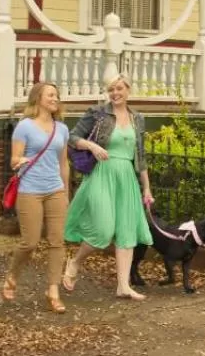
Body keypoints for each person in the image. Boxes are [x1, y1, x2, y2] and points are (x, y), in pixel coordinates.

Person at [62, 73, 154, 299]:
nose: (115, 93)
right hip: (102, 174)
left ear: (128, 90)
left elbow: (140, 156)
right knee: (102, 230)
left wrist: (146, 188)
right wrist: (92, 146)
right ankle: (75, 262)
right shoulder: (97, 113)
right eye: (111, 89)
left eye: (119, 88)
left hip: (126, 178)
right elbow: (72, 137)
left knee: (126, 230)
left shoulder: (137, 118)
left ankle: (123, 286)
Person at [4, 81, 69, 313]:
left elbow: (63, 163)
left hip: (55, 190)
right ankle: (12, 275)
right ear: (38, 98)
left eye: (56, 95)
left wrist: (65, 192)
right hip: (30, 190)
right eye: (50, 95)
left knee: (57, 241)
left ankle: (53, 290)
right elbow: (14, 160)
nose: (55, 98)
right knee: (30, 242)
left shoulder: (62, 129)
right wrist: (20, 161)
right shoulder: (25, 127)